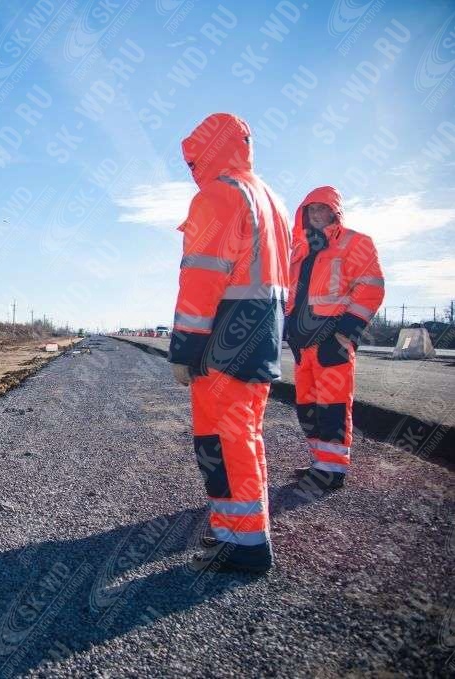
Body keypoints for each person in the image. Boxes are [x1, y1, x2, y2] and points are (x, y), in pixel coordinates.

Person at [168, 113, 291, 575]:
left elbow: (201, 279)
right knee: (241, 438)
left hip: (223, 341)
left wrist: (184, 348)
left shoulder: (218, 195)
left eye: (193, 158)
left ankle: (247, 545)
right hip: (257, 338)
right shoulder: (271, 200)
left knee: (224, 440)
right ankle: (233, 532)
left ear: (209, 150)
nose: (191, 167)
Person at [285, 187, 384, 491]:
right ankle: (320, 464)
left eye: (322, 209)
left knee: (333, 406)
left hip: (333, 341)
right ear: (303, 213)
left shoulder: (356, 242)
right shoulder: (298, 252)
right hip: (304, 344)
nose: (316, 214)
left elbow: (372, 288)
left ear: (334, 212)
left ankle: (332, 470)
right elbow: (291, 297)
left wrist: (346, 332)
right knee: (308, 407)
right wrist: (290, 333)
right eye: (310, 209)